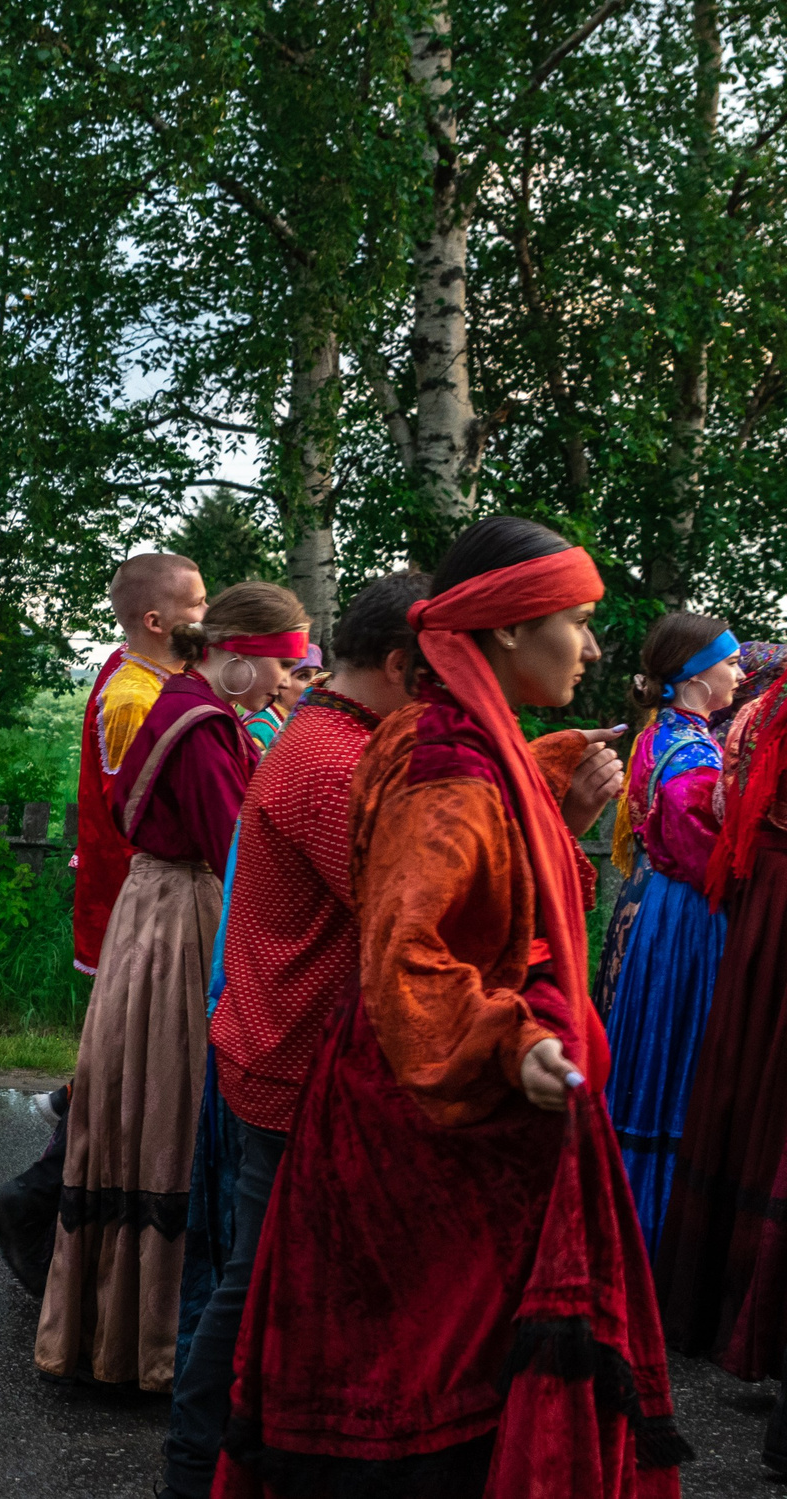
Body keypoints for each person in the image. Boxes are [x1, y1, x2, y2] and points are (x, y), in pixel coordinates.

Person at [219, 518, 680, 1496]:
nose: (592, 647)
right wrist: (513, 1043)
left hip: (400, 1118)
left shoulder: (449, 742)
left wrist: (546, 780)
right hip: (416, 1138)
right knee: (411, 1398)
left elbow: (483, 862)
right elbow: (409, 957)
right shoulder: (446, 768)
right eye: (575, 620)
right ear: (507, 631)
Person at [154, 571, 425, 1499]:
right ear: (400, 665)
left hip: (274, 1032)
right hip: (288, 1048)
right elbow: (410, 910)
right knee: (257, 1271)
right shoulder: (330, 763)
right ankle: (197, 1460)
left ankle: (249, 1445)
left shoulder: (331, 741)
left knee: (266, 1263)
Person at [36, 580, 303, 1392]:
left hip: (159, 909)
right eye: (282, 666)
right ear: (235, 663)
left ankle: (126, 1331)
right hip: (181, 912)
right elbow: (237, 843)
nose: (291, 683)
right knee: (168, 1104)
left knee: (149, 1101)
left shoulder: (191, 707)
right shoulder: (196, 725)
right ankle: (150, 1343)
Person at [0, 553, 206, 1297]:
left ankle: (43, 1196)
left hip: (140, 907)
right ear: (156, 619)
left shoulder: (147, 679)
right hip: (136, 910)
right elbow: (152, 810)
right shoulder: (133, 696)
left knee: (129, 1072)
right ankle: (41, 1202)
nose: (207, 616)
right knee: (132, 1076)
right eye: (198, 603)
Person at [662, 625, 787, 1470]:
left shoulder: (756, 713)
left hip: (759, 912)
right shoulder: (738, 725)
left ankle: (713, 1300)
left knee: (748, 1089)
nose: (740, 673)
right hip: (769, 907)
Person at [591, 614, 738, 1257]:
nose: (738, 673)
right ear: (698, 674)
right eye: (729, 662)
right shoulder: (693, 755)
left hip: (647, 905)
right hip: (680, 919)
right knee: (670, 1059)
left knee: (645, 1055)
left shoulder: (662, 735)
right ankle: (649, 1237)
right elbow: (709, 854)